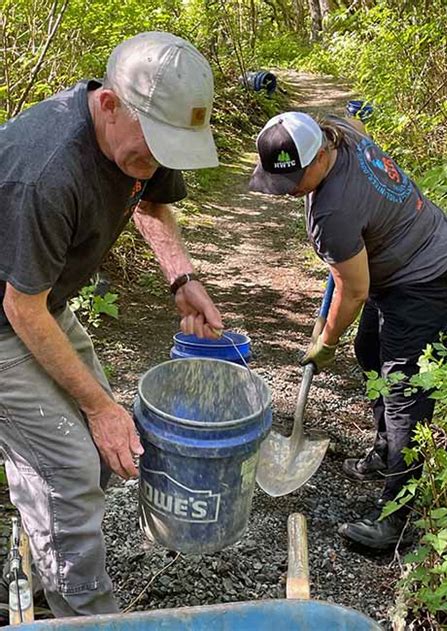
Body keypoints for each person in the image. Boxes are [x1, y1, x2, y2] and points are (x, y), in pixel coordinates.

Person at [0, 31, 223, 617]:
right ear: (108, 104)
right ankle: (86, 619)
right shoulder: (45, 170)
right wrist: (100, 408)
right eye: (151, 145)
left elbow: (152, 204)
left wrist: (182, 279)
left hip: (42, 304)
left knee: (98, 451)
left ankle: (48, 567)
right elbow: (19, 308)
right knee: (71, 470)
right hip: (11, 316)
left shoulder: (144, 145)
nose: (154, 162)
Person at [248, 109, 447, 549]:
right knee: (369, 351)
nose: (288, 193)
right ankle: (388, 453)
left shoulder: (332, 214)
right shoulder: (337, 131)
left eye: (293, 183)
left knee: (405, 391)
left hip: (426, 276)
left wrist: (325, 343)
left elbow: (353, 291)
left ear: (317, 159)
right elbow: (361, 125)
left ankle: (396, 522)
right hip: (400, 262)